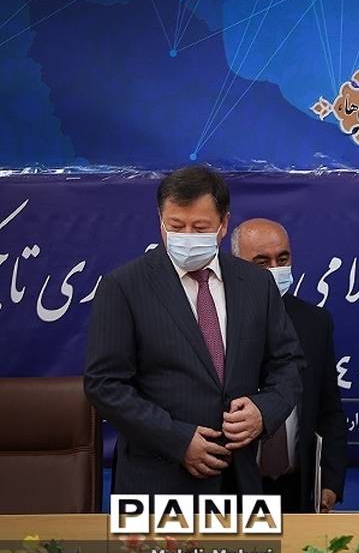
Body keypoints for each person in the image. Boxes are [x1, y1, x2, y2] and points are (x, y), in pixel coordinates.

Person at [84, 165, 304, 497]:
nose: (187, 236)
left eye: (200, 228)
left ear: (223, 224)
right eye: (176, 226)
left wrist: (264, 411)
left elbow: (288, 363)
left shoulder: (257, 284)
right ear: (160, 221)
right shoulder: (124, 286)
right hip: (156, 481)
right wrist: (176, 439)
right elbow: (104, 384)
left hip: (238, 481)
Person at [232, 218, 348, 513]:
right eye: (262, 262)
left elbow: (329, 409)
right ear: (235, 266)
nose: (275, 269)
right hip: (233, 488)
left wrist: (330, 480)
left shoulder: (315, 322)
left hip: (297, 488)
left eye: (282, 259)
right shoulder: (217, 320)